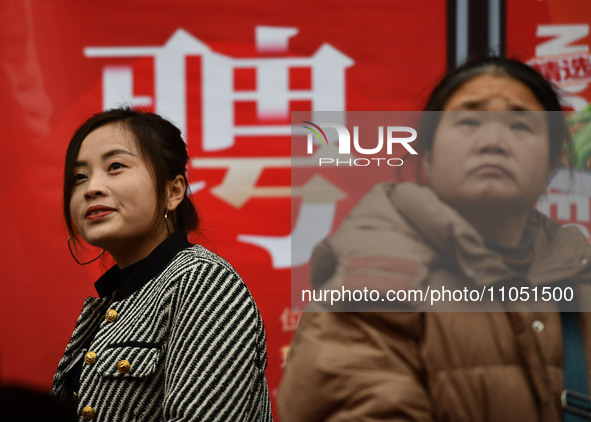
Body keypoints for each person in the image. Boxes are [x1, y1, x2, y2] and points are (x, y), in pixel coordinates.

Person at [278, 57, 591, 421]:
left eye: (520, 124)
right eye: (469, 121)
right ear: (425, 157)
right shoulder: (373, 278)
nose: (493, 141)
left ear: (553, 162)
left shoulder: (577, 274)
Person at [51, 108, 273, 422]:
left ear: (173, 191)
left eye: (115, 166)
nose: (91, 188)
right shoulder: (116, 301)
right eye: (79, 177)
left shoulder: (202, 281)